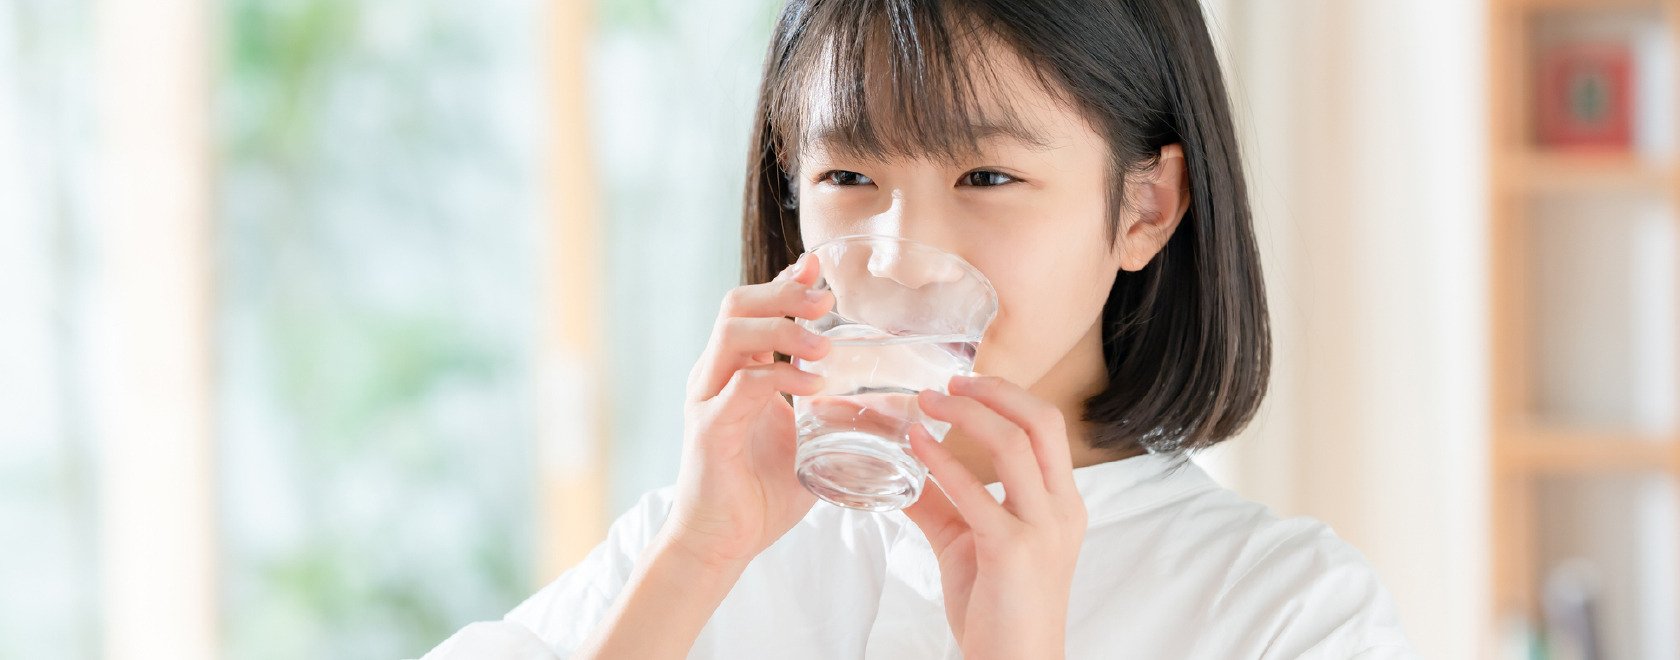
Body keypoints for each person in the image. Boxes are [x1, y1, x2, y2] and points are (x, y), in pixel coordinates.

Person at [421, 0, 1416, 658]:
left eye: (988, 178)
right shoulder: (695, 541)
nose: (898, 249)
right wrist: (694, 560)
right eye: (848, 177)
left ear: (1145, 208)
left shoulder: (1290, 612)